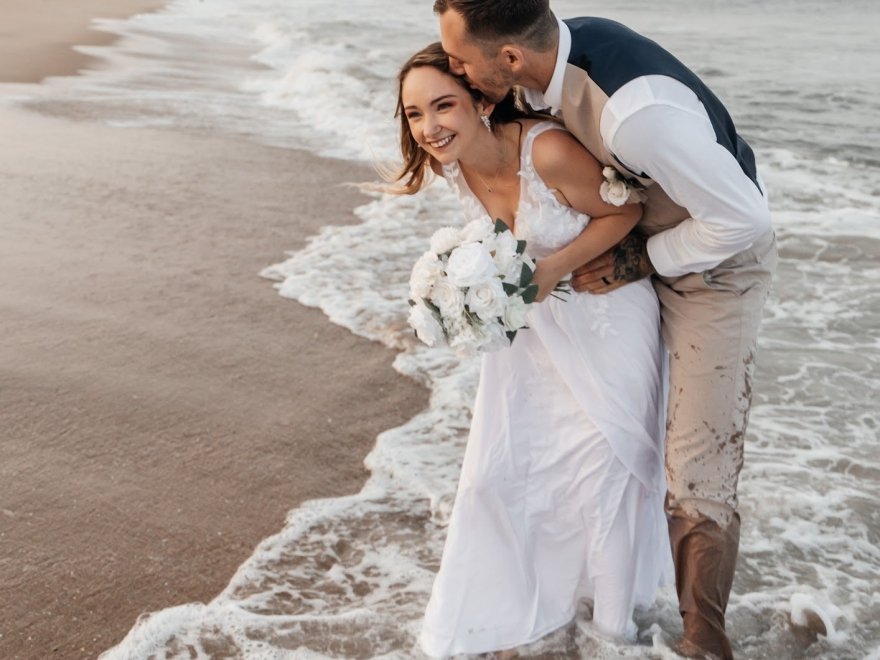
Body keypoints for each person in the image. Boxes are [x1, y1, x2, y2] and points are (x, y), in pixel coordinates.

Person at [434, 2, 778, 659]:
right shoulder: (543, 67)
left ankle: (703, 640)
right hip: (631, 248)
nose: (453, 66)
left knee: (696, 458)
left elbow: (746, 221)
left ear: (509, 57)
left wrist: (643, 260)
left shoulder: (636, 112)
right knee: (605, 433)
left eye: (459, 59)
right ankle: (595, 589)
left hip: (715, 269)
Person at [394, 42, 672, 658]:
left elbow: (625, 211)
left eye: (443, 106)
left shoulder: (543, 149)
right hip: (533, 340)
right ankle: (520, 610)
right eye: (416, 115)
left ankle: (612, 636)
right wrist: (459, 300)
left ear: (482, 101)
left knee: (604, 481)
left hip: (607, 324)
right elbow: (492, 252)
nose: (430, 127)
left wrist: (551, 271)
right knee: (503, 474)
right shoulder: (454, 164)